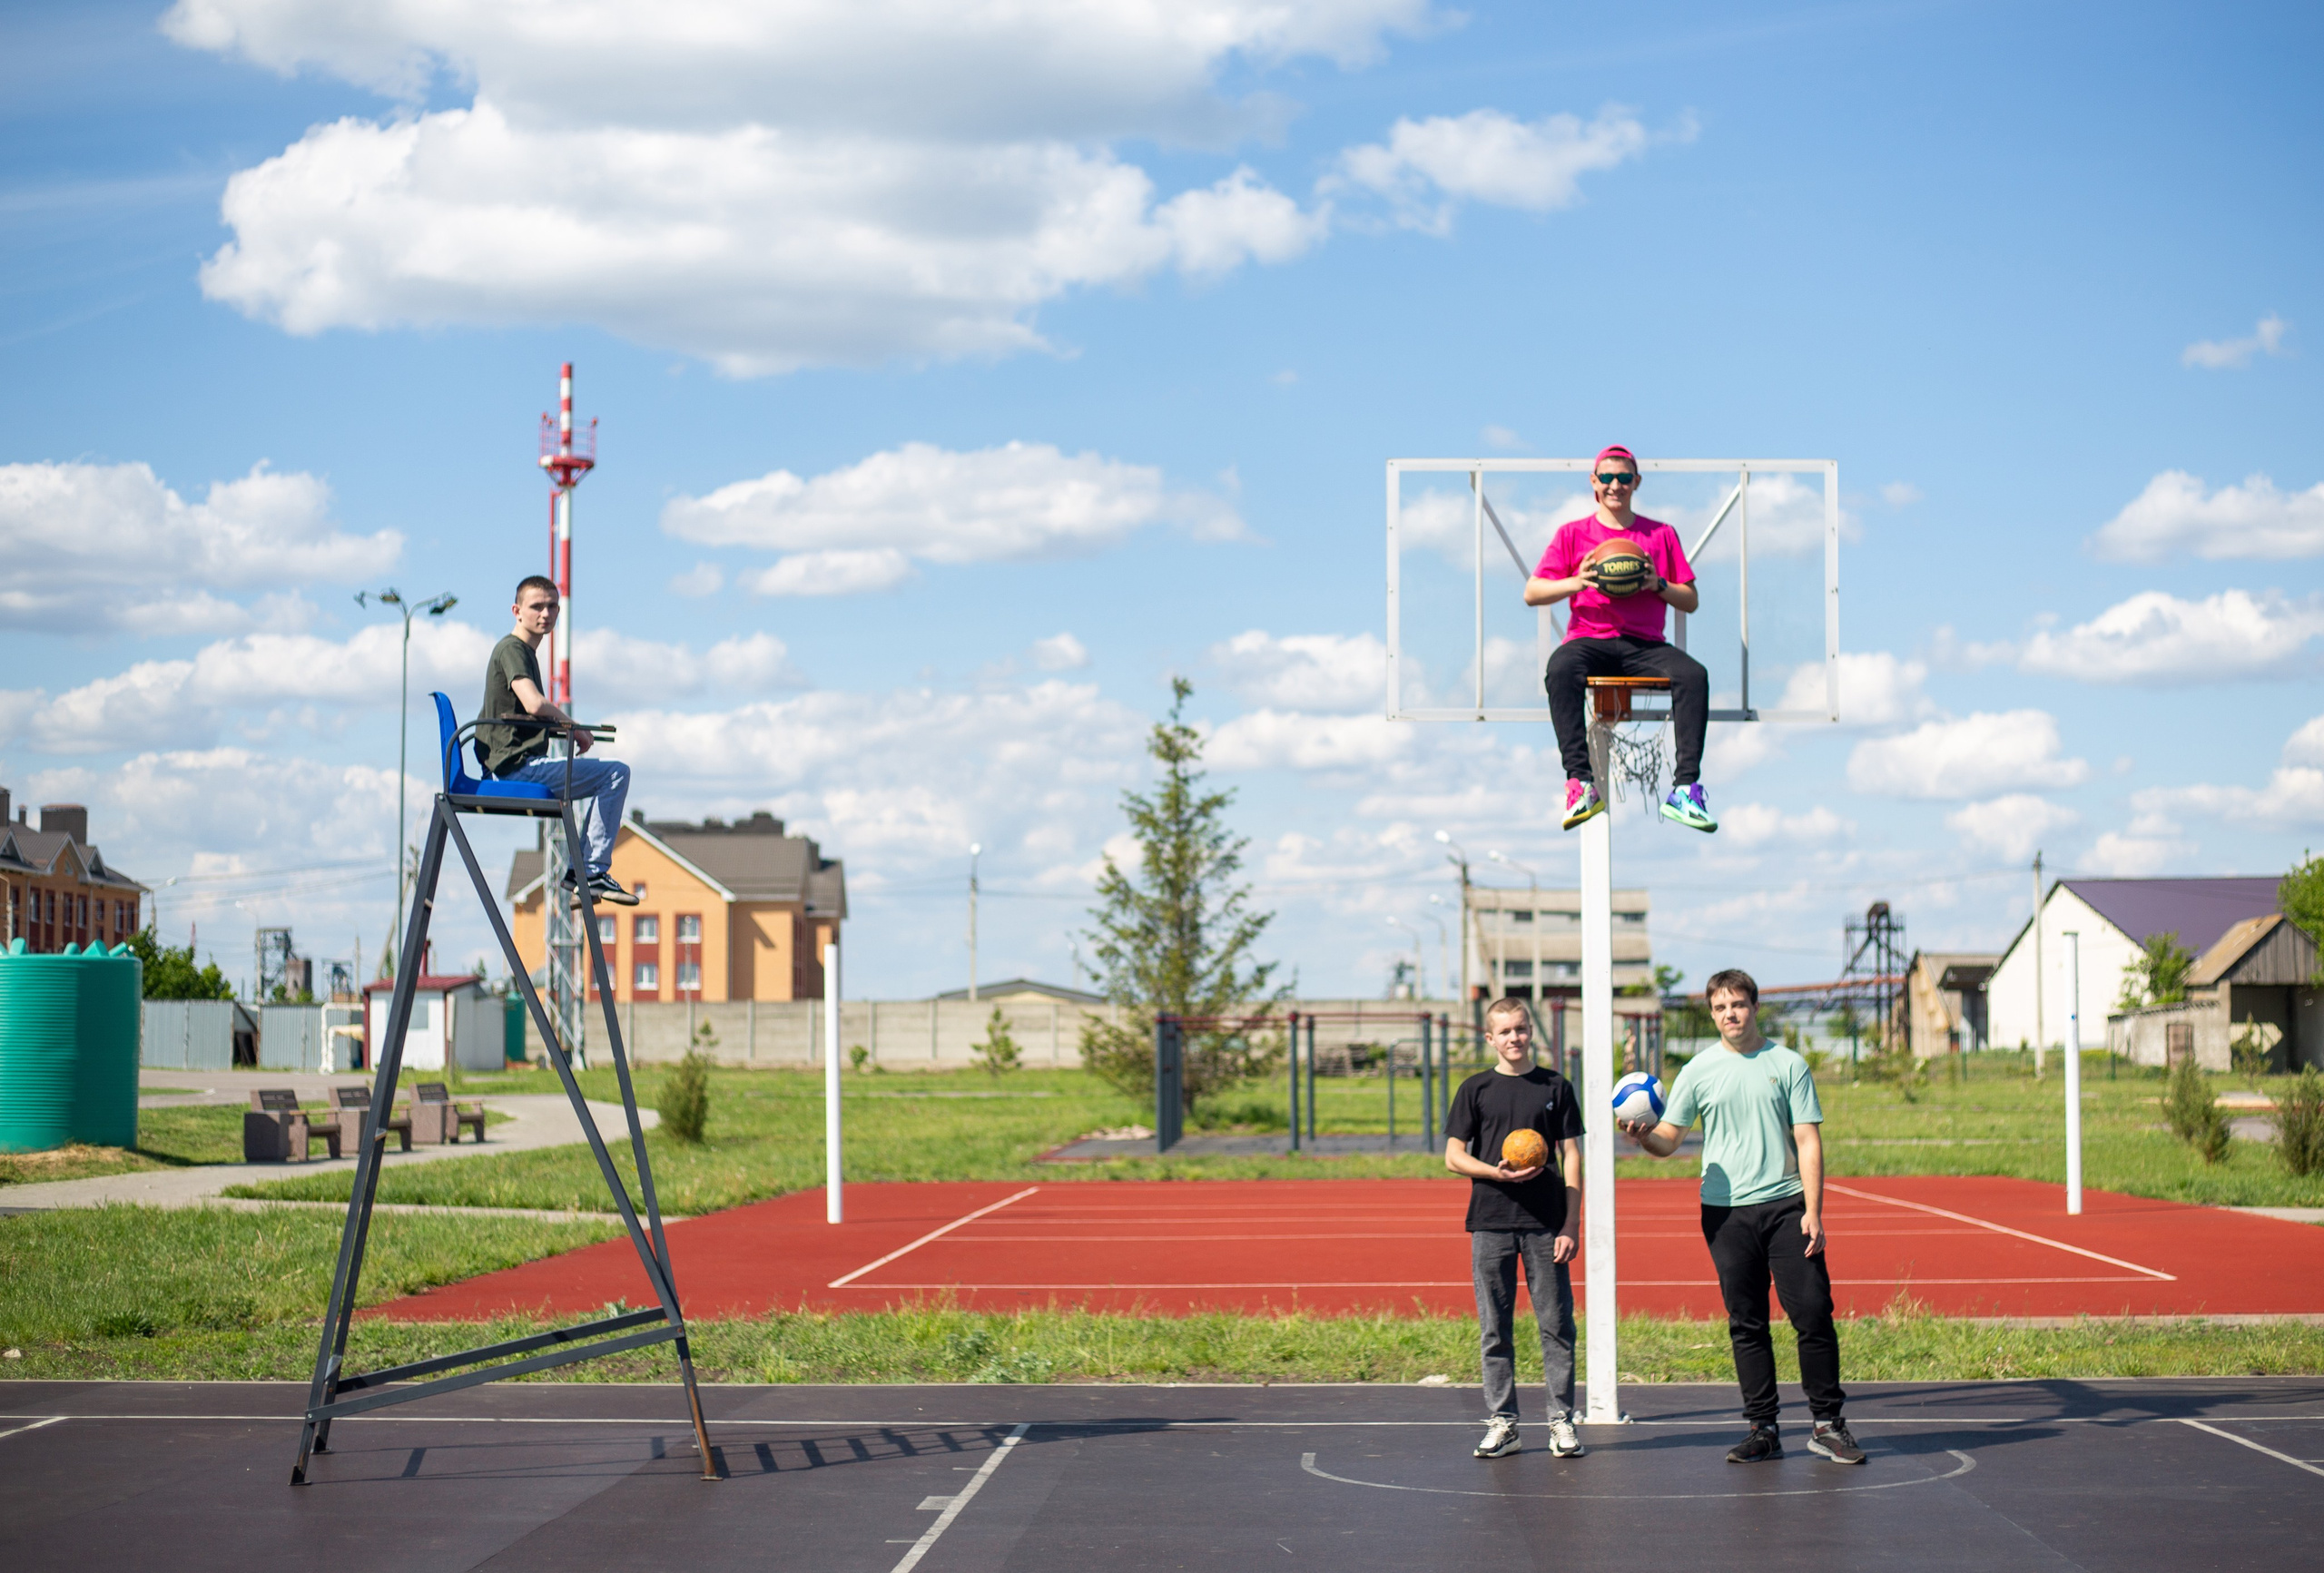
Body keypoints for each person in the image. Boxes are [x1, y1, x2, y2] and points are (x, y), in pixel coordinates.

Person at [1619, 968, 1864, 1465]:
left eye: (1738, 1004)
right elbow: (1669, 1138)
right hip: (1725, 1214)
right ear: (1712, 1014)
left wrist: (1814, 1210)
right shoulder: (1697, 1070)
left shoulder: (1788, 1063)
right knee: (1746, 1322)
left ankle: (1827, 1424)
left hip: (1787, 1206)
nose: (1730, 1014)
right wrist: (1643, 1137)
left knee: (1813, 1313)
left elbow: (1808, 1139)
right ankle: (1763, 1428)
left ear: (1754, 1007)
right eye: (1720, 1007)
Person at [1524, 445, 1715, 834]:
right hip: (1589, 639)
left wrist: (1657, 584)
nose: (1616, 485)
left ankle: (1685, 790)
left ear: (1636, 483)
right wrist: (1577, 581)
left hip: (1643, 643)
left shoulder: (1660, 534)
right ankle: (1580, 784)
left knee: (1693, 675)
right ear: (1594, 483)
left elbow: (1690, 600)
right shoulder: (1572, 533)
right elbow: (1532, 592)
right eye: (1608, 478)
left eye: (1625, 478)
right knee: (1560, 668)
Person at [1443, 998, 1587, 1460]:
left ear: (1532, 1032)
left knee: (1556, 1325)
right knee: (1494, 1328)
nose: (1514, 1038)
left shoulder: (1556, 1086)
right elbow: (1452, 1156)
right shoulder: (1475, 1089)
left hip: (1546, 1227)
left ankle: (1561, 1421)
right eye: (1504, 1031)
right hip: (1490, 1222)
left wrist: (1570, 1222)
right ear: (1490, 1038)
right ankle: (1504, 1423)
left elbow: (1573, 1157)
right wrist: (1495, 1173)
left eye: (1521, 1029)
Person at [478, 575, 640, 907]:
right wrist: (574, 726)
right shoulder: (513, 649)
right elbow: (534, 704)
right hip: (514, 769)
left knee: (611, 774)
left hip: (514, 764)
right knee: (615, 774)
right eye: (536, 606)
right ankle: (589, 871)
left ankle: (582, 872)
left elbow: (529, 712)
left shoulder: (524, 653)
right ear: (516, 610)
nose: (546, 613)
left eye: (553, 606)